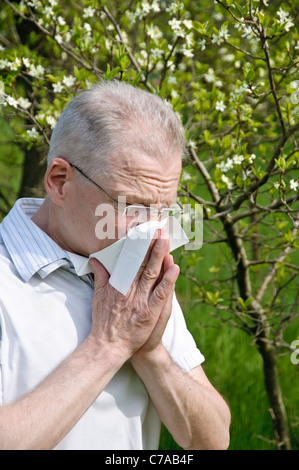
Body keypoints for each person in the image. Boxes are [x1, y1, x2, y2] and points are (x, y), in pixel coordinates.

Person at [0, 80, 230, 450]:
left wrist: (152, 353)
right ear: (60, 182)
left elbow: (212, 441)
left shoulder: (138, 277)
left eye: (164, 210)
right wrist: (109, 346)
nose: (153, 230)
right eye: (132, 206)